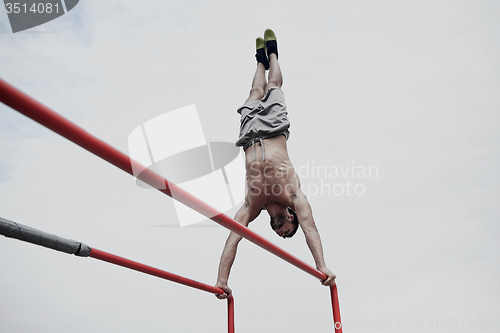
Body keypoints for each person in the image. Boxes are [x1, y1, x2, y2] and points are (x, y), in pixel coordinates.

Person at [215, 29, 336, 299]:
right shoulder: (294, 195)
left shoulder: (252, 205)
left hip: (248, 137)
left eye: (280, 234)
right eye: (285, 231)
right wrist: (321, 266)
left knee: (254, 91)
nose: (279, 232)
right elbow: (311, 228)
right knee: (273, 88)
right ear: (291, 217)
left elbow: (233, 238)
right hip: (273, 128)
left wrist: (221, 280)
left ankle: (259, 60)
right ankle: (272, 53)